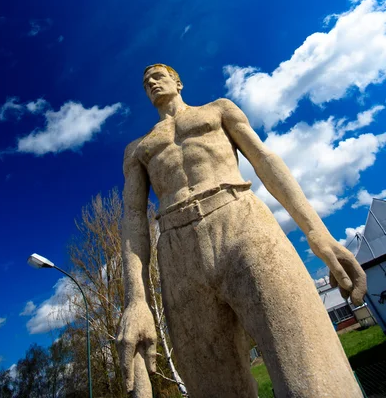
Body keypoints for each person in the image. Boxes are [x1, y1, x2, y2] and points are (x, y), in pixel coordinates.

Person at [118, 64, 366, 398]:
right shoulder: (138, 149)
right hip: (178, 255)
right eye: (145, 80)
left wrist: (317, 231)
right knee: (214, 389)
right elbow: (133, 218)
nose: (150, 81)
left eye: (158, 76)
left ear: (178, 82)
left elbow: (263, 159)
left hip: (241, 223)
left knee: (311, 377)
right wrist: (137, 301)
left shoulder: (218, 110)